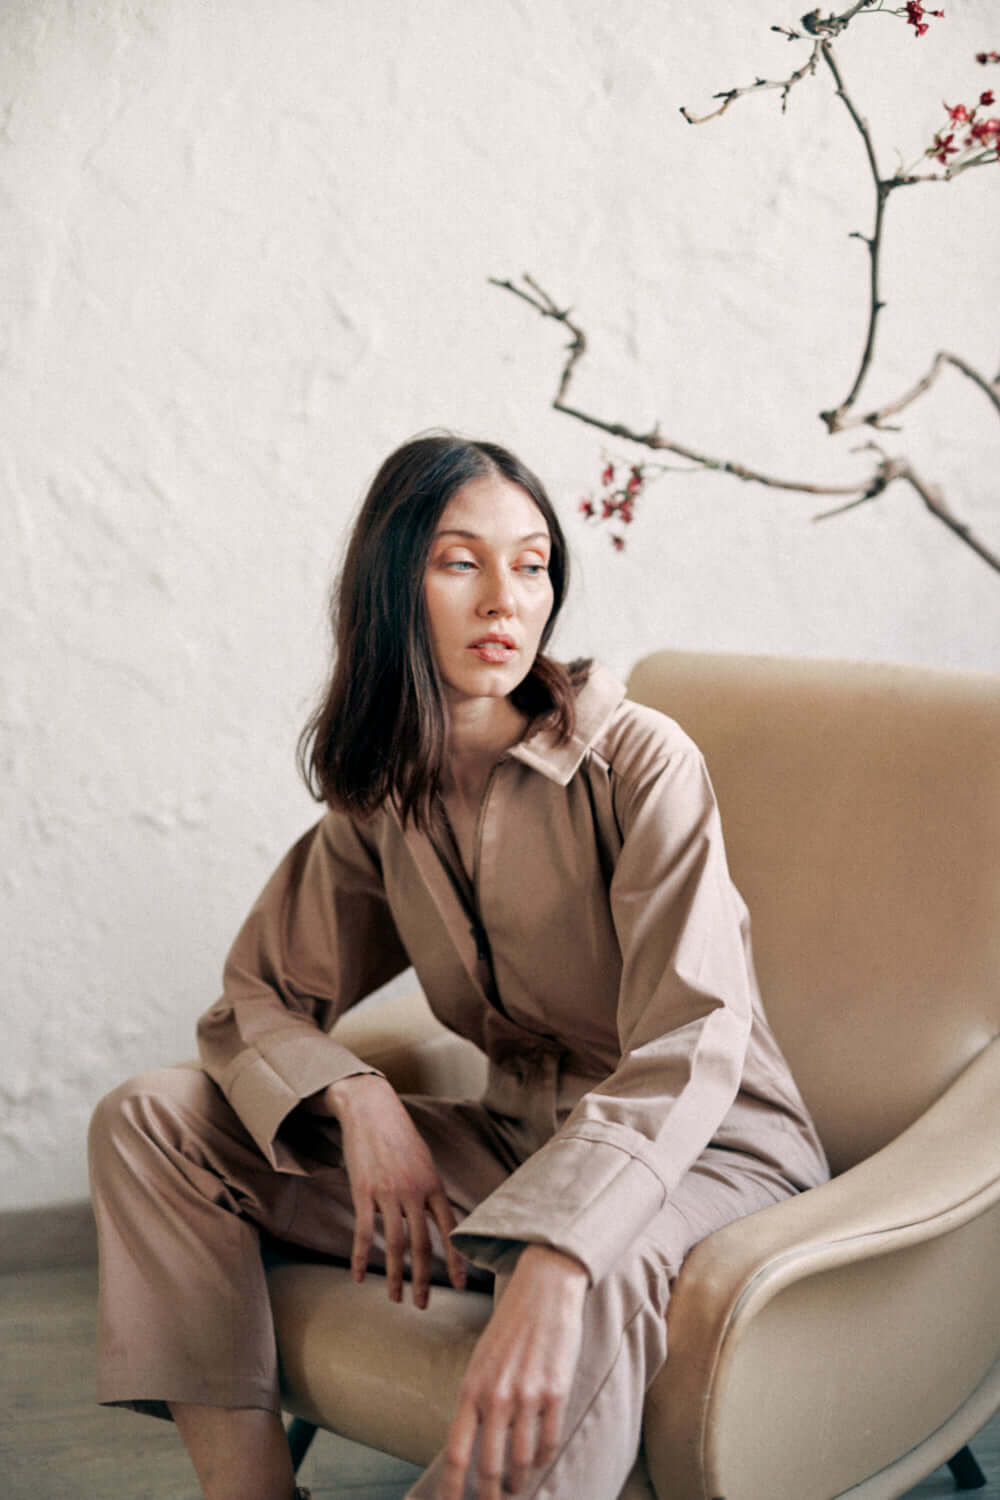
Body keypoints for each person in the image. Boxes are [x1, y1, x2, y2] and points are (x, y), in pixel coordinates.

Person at [88, 431, 829, 1500]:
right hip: (512, 1140)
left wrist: (559, 1252)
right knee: (151, 1120)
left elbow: (690, 1041)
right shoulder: (384, 793)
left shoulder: (641, 763)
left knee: (581, 1261)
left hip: (706, 1152)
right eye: (458, 561)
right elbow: (257, 997)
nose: (505, 600)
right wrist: (354, 1094)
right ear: (395, 590)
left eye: (531, 563)